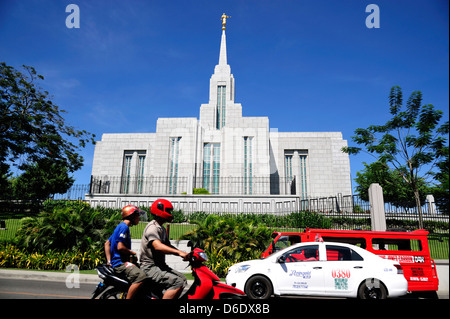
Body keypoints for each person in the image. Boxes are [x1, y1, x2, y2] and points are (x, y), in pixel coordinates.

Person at [139, 199, 188, 299]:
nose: (170, 214)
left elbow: (168, 246)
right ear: (161, 211)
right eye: (168, 211)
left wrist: (185, 254)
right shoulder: (152, 228)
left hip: (160, 266)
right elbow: (158, 246)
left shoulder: (161, 229)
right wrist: (179, 252)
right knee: (177, 282)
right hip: (150, 267)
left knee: (183, 279)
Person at [104, 205, 148, 299]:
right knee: (141, 277)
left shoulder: (120, 226)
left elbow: (107, 243)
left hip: (117, 263)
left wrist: (109, 261)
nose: (139, 219)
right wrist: (132, 253)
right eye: (137, 216)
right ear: (131, 216)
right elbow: (120, 247)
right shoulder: (124, 228)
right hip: (120, 264)